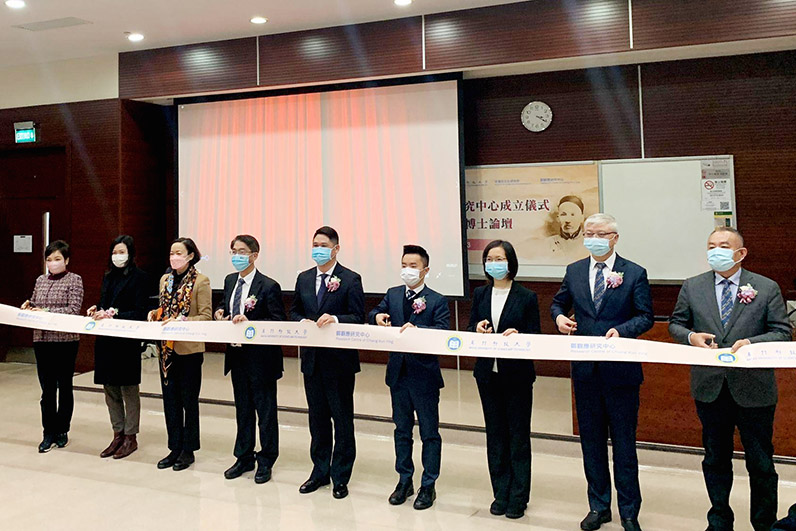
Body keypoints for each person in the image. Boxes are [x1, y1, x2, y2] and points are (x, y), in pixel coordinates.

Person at [669, 226, 791, 531]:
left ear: (741, 253)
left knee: (760, 461)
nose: (716, 251)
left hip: (754, 388)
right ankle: (720, 520)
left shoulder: (765, 287)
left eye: (723, 246)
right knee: (715, 458)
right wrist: (691, 337)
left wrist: (752, 343)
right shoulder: (693, 286)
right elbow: (676, 323)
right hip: (710, 386)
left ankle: (764, 523)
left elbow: (782, 331)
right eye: (711, 246)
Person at [551, 213, 653, 531]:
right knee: (591, 444)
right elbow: (558, 304)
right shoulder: (574, 271)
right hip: (585, 372)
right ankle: (598, 506)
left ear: (614, 238)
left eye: (601, 234)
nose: (593, 238)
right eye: (589, 233)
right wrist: (559, 318)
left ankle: (629, 511)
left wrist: (622, 331)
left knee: (624, 446)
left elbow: (645, 316)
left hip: (621, 372)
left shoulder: (634, 273)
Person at [369, 245, 450, 510]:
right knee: (402, 431)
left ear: (425, 270)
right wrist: (377, 316)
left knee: (429, 433)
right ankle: (405, 480)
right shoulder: (393, 294)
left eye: (413, 266)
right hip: (398, 374)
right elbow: (374, 313)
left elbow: (442, 332)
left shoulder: (437, 300)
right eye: (404, 265)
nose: (408, 270)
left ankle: (429, 485)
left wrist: (419, 329)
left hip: (424, 376)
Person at [467, 240, 540, 520]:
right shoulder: (480, 294)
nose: (493, 263)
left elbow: (535, 335)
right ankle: (500, 492)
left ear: (510, 262)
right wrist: (477, 328)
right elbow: (470, 326)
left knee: (518, 436)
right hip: (488, 374)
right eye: (489, 259)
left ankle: (519, 496)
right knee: (495, 434)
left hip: (517, 375)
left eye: (499, 258)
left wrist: (519, 336)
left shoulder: (526, 296)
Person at [290, 226, 365, 500]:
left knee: (342, 420)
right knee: (317, 419)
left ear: (336, 249)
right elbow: (295, 310)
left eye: (323, 245)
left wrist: (335, 319)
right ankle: (319, 471)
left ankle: (340, 476)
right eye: (315, 245)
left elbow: (358, 317)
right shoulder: (304, 278)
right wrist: (301, 321)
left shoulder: (350, 279)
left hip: (339, 362)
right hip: (312, 361)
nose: (318, 250)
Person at [215, 235, 285, 484]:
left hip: (262, 360)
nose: (237, 256)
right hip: (237, 356)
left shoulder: (269, 286)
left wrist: (251, 323)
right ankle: (243, 456)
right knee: (243, 410)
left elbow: (278, 322)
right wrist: (220, 312)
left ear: (254, 255)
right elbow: (225, 306)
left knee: (265, 413)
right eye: (233, 251)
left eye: (242, 251)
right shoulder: (229, 280)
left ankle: (266, 460)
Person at [147, 237, 212, 472]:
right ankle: (174, 447)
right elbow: (165, 308)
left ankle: (188, 450)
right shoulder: (165, 280)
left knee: (188, 401)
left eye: (179, 253)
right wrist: (156, 313)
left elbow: (206, 317)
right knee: (170, 400)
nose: (174, 257)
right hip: (167, 350)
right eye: (171, 253)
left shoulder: (201, 281)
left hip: (189, 350)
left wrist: (182, 321)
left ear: (190, 256)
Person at [87, 235, 149, 460]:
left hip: (126, 341)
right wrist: (97, 310)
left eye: (121, 252)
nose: (117, 256)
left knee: (129, 389)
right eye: (114, 252)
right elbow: (104, 303)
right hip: (106, 340)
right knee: (110, 389)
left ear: (130, 254)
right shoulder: (108, 276)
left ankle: (131, 436)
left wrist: (115, 314)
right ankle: (117, 433)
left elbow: (141, 312)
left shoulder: (140, 277)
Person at [22, 240, 84, 453]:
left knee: (64, 386)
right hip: (42, 340)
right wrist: (29, 307)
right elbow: (34, 302)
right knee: (47, 390)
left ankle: (62, 430)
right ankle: (48, 432)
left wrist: (46, 313)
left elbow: (73, 309)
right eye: (49, 259)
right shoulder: (40, 280)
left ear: (66, 260)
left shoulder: (74, 280)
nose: (53, 263)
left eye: (57, 259)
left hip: (65, 341)